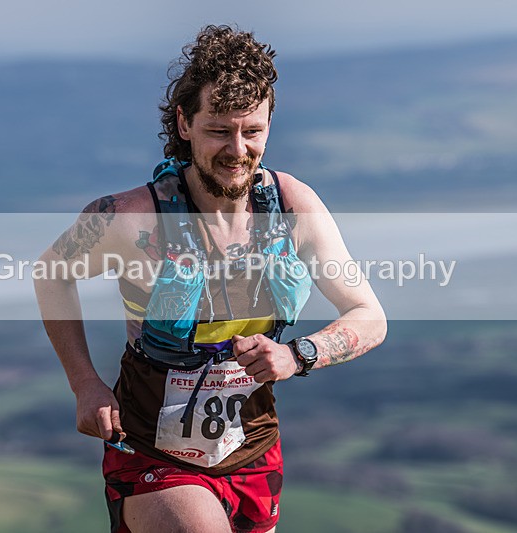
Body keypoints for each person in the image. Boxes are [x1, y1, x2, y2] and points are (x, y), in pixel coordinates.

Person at [34, 24, 386, 533]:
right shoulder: (131, 218)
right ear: (184, 123)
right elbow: (51, 274)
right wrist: (84, 384)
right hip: (151, 447)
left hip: (253, 447)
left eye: (253, 131)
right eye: (219, 130)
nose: (237, 150)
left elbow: (370, 316)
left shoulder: (291, 206)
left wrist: (297, 355)